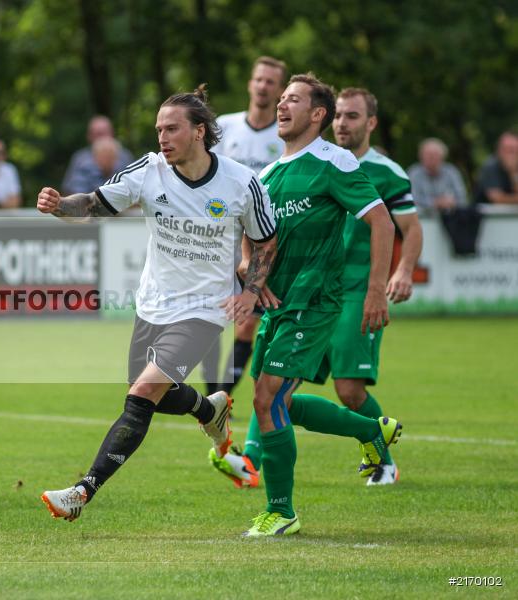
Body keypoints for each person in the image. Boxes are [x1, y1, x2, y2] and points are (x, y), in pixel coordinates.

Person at [37, 85, 278, 522]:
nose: (162, 137)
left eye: (171, 128)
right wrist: (60, 207)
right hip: (152, 303)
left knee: (143, 392)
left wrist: (250, 291)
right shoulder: (149, 170)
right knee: (152, 394)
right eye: (158, 129)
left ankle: (81, 492)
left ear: (199, 131)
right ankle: (210, 409)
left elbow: (265, 241)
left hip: (204, 310)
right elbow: (93, 203)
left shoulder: (242, 182)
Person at [211, 73, 402, 537]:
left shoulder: (332, 161)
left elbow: (382, 224)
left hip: (316, 303)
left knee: (266, 397)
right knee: (279, 405)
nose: (281, 106)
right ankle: (369, 431)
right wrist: (248, 272)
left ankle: (282, 512)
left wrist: (376, 291)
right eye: (280, 99)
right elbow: (249, 236)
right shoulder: (268, 175)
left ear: (318, 114)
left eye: (293, 99)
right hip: (279, 307)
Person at [203, 56, 287, 397]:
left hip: (259, 238)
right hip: (219, 239)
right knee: (207, 323)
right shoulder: (226, 127)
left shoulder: (284, 134)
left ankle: (220, 399)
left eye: (271, 81)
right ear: (250, 84)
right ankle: (214, 398)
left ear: (280, 90)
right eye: (259, 79)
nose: (263, 86)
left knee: (246, 323)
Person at [62, 116, 134, 194]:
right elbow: (74, 192)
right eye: (98, 134)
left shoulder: (125, 157)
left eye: (105, 133)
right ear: (89, 137)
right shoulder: (80, 159)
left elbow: (135, 190)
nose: (102, 139)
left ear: (112, 133)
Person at [407, 138, 469, 212]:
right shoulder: (414, 173)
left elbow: (462, 198)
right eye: (428, 154)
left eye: (435, 155)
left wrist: (452, 202)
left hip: (450, 217)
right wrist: (435, 203)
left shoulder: (451, 172)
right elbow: (410, 199)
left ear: (443, 157)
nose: (431, 158)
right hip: (422, 218)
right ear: (421, 156)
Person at [475, 131, 518, 205]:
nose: (510, 154)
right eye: (506, 149)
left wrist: (513, 173)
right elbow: (497, 199)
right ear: (498, 150)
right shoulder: (490, 166)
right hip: (485, 214)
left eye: (513, 150)